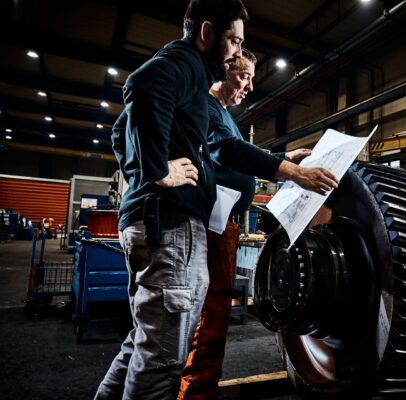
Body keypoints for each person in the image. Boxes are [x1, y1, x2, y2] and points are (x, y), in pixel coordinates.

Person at [97, 1, 337, 398]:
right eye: (233, 43)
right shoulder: (187, 67)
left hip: (162, 222)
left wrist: (141, 168)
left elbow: (121, 128)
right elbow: (142, 86)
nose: (235, 55)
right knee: (161, 359)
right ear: (207, 33)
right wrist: (156, 170)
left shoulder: (191, 82)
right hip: (171, 225)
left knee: (144, 344)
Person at [177, 50, 314, 400]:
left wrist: (282, 157)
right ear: (223, 72)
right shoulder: (206, 108)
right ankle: (195, 392)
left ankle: (200, 387)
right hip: (211, 225)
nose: (249, 86)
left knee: (217, 310)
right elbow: (228, 150)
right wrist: (289, 170)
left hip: (223, 226)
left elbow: (237, 151)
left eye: (252, 79)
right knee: (210, 311)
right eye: (243, 76)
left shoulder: (222, 113)